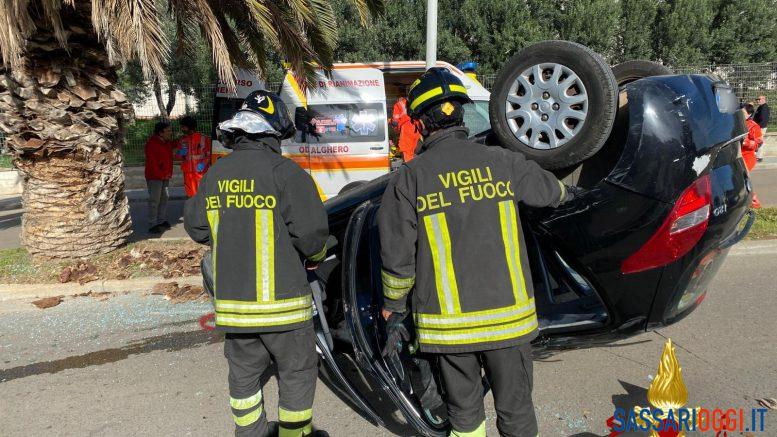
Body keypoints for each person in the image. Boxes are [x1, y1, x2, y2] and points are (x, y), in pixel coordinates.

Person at [378, 68, 577, 437]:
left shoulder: (409, 178)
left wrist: (394, 305)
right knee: (517, 415)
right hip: (509, 321)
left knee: (465, 418)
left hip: (449, 330)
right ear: (463, 112)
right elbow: (553, 194)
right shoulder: (503, 162)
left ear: (420, 124)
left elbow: (397, 257)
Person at [184, 90, 328, 437]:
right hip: (286, 311)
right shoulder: (287, 174)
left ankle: (252, 433)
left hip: (236, 310)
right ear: (274, 133)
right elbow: (313, 240)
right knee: (296, 376)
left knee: (244, 379)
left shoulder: (216, 176)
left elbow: (197, 227)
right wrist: (317, 259)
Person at [144, 121, 174, 233]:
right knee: (154, 200)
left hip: (164, 176)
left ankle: (161, 221)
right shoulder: (152, 144)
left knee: (164, 198)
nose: (170, 133)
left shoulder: (166, 143)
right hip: (155, 177)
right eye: (168, 131)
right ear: (160, 132)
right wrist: (160, 175)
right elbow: (152, 163)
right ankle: (152, 224)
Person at [177, 116, 212, 197]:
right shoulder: (183, 140)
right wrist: (180, 153)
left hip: (200, 173)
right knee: (190, 197)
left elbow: (209, 154)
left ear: (190, 127)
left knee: (202, 196)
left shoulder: (203, 138)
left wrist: (203, 164)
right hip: (188, 174)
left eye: (183, 127)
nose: (182, 129)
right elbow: (178, 157)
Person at [743, 103, 763, 208]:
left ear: (749, 114)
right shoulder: (736, 123)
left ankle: (754, 202)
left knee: (743, 179)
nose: (740, 114)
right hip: (737, 156)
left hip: (747, 157)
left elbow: (759, 142)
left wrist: (746, 142)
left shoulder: (754, 126)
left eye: (743, 113)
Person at [391, 94, 422, 162]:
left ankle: (409, 166)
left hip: (407, 127)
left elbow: (395, 122)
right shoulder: (414, 102)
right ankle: (413, 163)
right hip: (417, 126)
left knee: (405, 148)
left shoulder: (398, 104)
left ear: (399, 98)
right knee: (412, 148)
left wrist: (391, 122)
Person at [754, 95, 770, 162]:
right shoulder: (761, 107)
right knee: (758, 141)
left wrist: (758, 127)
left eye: (759, 99)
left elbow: (763, 119)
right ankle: (757, 156)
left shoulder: (764, 108)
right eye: (757, 99)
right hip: (759, 127)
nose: (758, 100)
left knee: (760, 142)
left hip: (761, 127)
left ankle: (759, 157)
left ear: (763, 99)